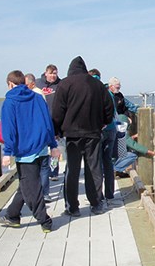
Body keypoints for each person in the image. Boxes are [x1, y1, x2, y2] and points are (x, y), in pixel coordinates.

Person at [0, 70, 60, 233]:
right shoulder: (38, 97)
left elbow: (9, 129)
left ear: (10, 84)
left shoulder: (10, 102)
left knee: (32, 189)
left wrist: (7, 152)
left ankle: (45, 221)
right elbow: (48, 123)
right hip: (41, 148)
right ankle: (12, 215)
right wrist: (53, 145)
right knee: (26, 184)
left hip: (25, 152)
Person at [52, 56, 114, 216]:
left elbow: (58, 111)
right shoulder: (98, 85)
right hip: (93, 132)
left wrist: (56, 130)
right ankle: (96, 203)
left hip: (72, 135)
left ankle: (73, 207)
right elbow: (109, 108)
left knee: (72, 170)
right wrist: (104, 122)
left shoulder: (64, 84)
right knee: (93, 169)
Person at [89, 69, 116, 203]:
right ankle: (110, 194)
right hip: (111, 129)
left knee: (96, 163)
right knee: (108, 161)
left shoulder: (92, 91)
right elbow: (111, 110)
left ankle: (98, 196)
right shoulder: (107, 92)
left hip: (99, 130)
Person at [26, 72, 53, 201]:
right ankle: (44, 193)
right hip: (40, 134)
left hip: (38, 135)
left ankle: (43, 193)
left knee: (42, 166)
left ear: (32, 83)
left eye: (26, 84)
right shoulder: (38, 93)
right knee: (43, 166)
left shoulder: (36, 94)